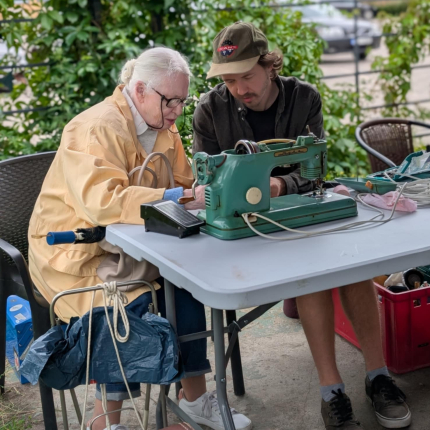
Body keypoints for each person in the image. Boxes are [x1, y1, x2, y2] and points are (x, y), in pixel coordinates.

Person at [192, 22, 411, 430]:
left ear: (269, 65)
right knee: (311, 277)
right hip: (244, 227)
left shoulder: (304, 98)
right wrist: (240, 189)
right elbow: (207, 180)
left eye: (247, 76)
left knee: (352, 266)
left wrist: (280, 185)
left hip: (299, 212)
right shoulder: (210, 110)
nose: (239, 88)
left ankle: (377, 375)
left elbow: (314, 172)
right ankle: (332, 391)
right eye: (229, 80)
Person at [28, 47, 251, 430]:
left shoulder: (163, 126)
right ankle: (105, 421)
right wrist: (179, 197)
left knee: (187, 284)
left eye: (182, 101)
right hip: (75, 254)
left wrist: (210, 189)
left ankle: (194, 398)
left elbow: (187, 182)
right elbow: (104, 203)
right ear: (141, 89)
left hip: (133, 248)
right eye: (170, 101)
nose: (177, 111)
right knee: (124, 305)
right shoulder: (96, 127)